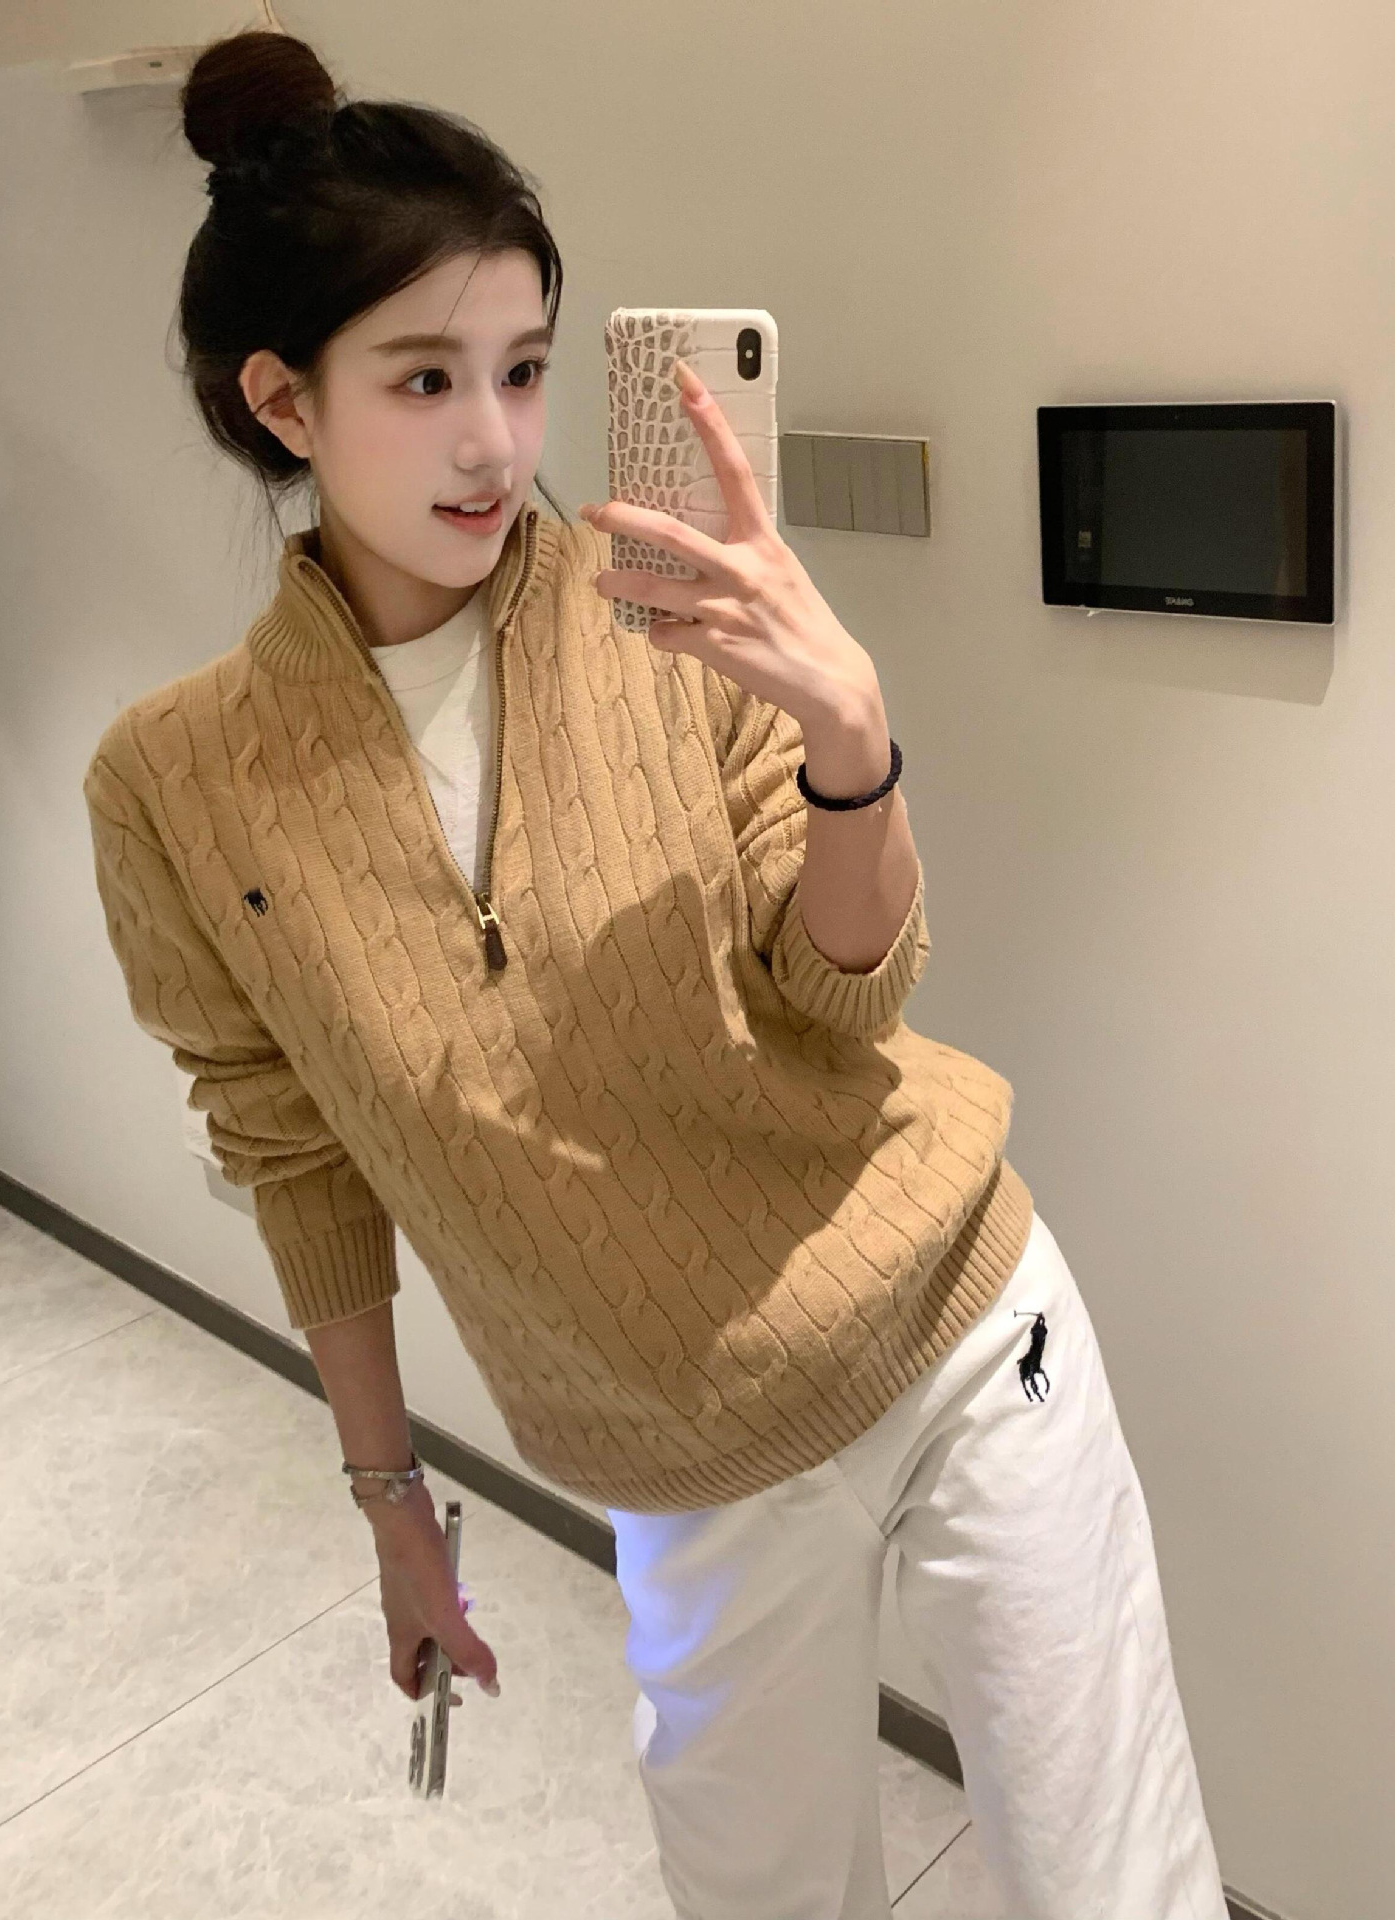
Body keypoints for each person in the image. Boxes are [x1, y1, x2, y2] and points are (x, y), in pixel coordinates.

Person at [81, 26, 1229, 1920]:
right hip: (678, 1455)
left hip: (963, 1336)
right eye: (425, 377)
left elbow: (847, 992)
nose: (495, 441)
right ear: (284, 401)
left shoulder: (663, 615)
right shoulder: (176, 784)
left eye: (526, 368)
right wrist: (392, 1506)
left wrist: (850, 741)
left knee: (1117, 1891)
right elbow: (292, 1152)